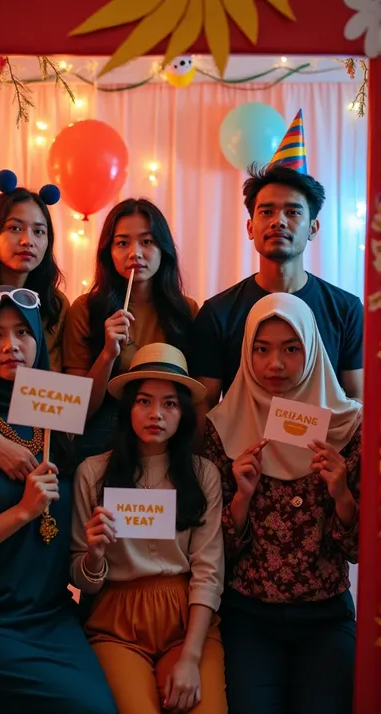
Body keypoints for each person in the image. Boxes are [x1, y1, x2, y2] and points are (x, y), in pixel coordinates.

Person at [0, 285, 117, 714]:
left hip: (51, 615)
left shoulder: (55, 424)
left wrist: (95, 550)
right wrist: (21, 512)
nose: (11, 346)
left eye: (22, 333)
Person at [203, 292, 362, 714]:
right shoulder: (222, 428)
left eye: (291, 349)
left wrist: (342, 492)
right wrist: (242, 497)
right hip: (248, 615)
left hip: (325, 615)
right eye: (262, 349)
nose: (275, 364)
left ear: (311, 350)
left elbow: (361, 551)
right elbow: (212, 550)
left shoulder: (349, 427)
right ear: (246, 352)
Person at [70, 343, 227, 714]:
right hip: (116, 619)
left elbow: (209, 569)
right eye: (144, 401)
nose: (156, 413)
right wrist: (93, 555)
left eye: (169, 403)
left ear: (183, 413)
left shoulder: (203, 473)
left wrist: (190, 657)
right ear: (128, 409)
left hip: (186, 614)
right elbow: (82, 579)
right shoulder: (92, 473)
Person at [191, 163, 363, 445]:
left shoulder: (346, 309)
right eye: (266, 211)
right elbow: (205, 405)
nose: (278, 221)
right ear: (250, 227)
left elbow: (356, 397)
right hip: (241, 465)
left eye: (293, 212)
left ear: (313, 227)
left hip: (323, 465)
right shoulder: (218, 312)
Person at [64, 198, 199, 460]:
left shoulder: (187, 311)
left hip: (167, 436)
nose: (134, 253)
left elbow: (192, 397)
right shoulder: (85, 309)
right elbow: (76, 411)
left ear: (164, 249)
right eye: (122, 242)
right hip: (104, 436)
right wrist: (107, 355)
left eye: (147, 241)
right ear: (108, 252)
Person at [0, 170, 69, 480]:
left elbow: (50, 386)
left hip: (32, 431)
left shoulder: (56, 304)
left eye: (39, 231)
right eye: (15, 228)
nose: (27, 241)